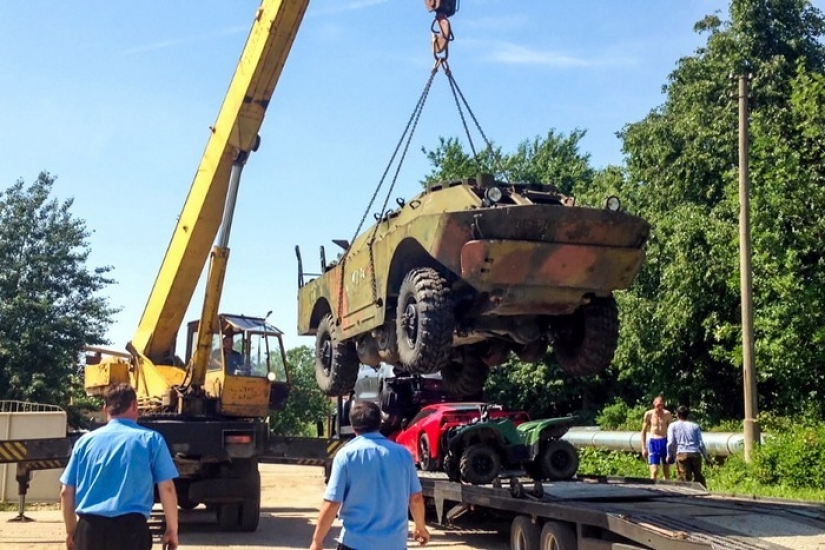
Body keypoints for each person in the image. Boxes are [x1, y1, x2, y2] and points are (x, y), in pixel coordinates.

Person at [59, 383, 179, 550]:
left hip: (90, 530)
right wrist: (172, 530)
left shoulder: (84, 443)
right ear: (135, 405)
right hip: (131, 531)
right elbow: (167, 488)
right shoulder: (151, 440)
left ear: (105, 409)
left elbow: (66, 492)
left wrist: (71, 531)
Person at [310, 400, 430, 550]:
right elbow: (416, 498)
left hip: (354, 543)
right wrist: (420, 527)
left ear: (353, 426)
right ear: (379, 423)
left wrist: (317, 540)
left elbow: (333, 502)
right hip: (394, 545)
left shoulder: (346, 455)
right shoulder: (403, 454)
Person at [666, 405, 711, 486]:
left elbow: (670, 442)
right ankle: (702, 492)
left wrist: (669, 455)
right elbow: (700, 443)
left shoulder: (673, 426)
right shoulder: (695, 426)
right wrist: (706, 457)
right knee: (698, 475)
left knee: (683, 477)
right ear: (687, 415)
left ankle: (684, 495)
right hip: (695, 453)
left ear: (677, 414)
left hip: (682, 453)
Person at [641, 395, 673, 479]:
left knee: (666, 471)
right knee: (654, 470)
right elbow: (643, 431)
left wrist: (672, 446)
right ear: (654, 404)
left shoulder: (667, 414)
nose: (660, 407)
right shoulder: (649, 414)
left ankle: (667, 489)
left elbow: (671, 431)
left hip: (664, 441)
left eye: (661, 405)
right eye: (658, 405)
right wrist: (643, 447)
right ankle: (653, 488)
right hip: (653, 441)